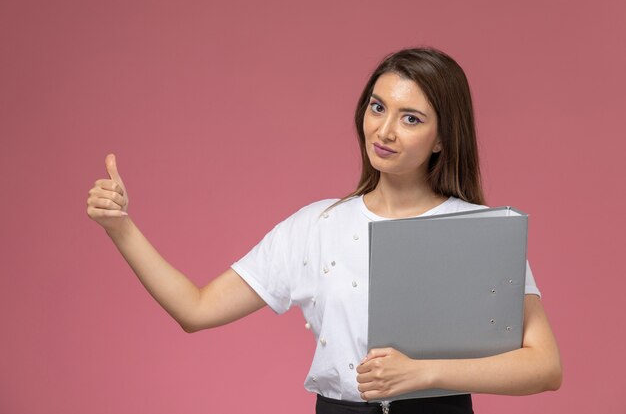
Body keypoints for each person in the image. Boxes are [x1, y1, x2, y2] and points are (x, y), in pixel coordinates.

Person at [86, 47, 562, 414]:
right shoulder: (316, 226)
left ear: (442, 138)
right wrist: (120, 228)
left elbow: (544, 366)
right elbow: (196, 308)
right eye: (377, 108)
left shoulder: (478, 231)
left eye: (410, 118)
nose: (385, 131)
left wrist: (422, 374)